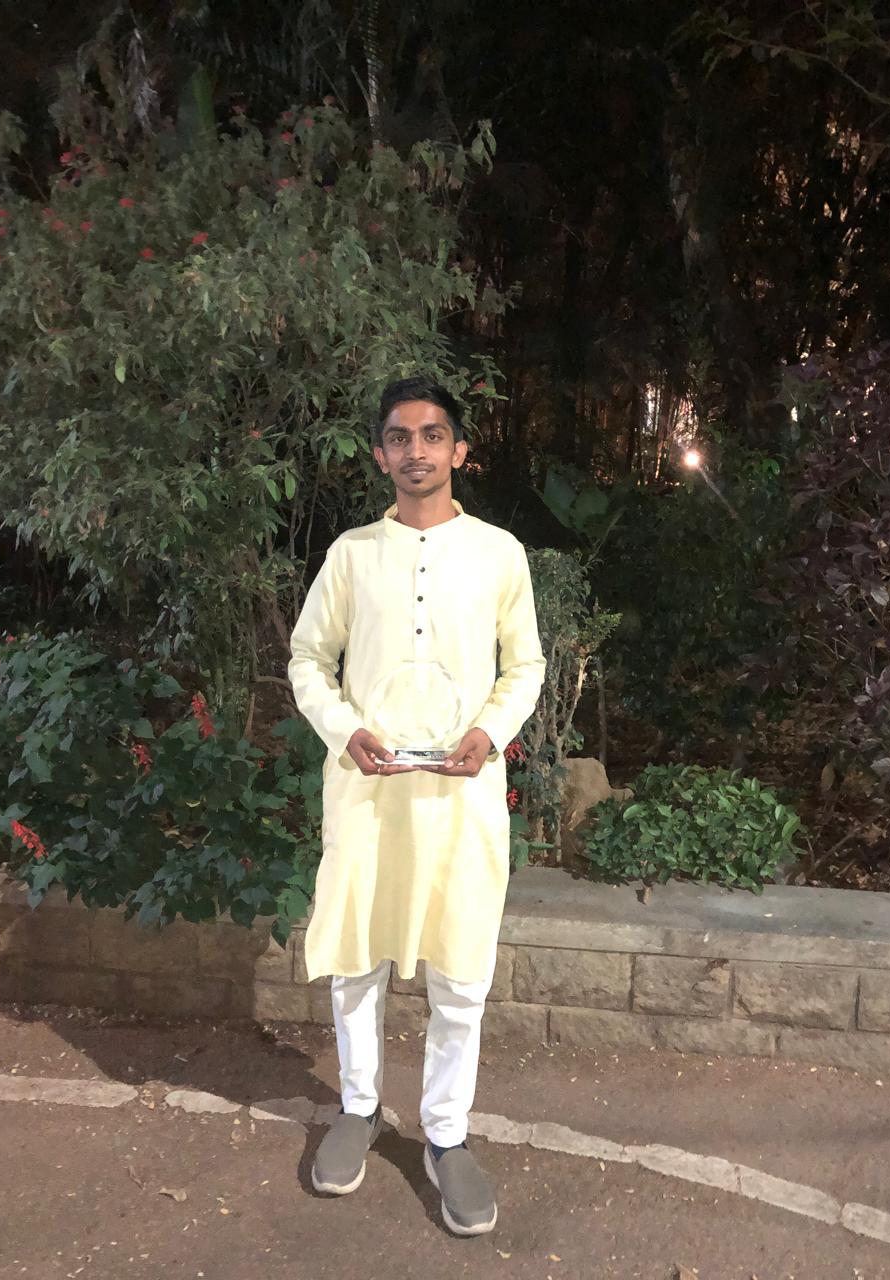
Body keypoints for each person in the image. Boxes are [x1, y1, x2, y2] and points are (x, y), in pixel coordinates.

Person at [287, 374, 545, 1236]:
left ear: (459, 449)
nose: (416, 451)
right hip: (369, 790)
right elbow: (307, 659)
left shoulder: (499, 553)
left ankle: (445, 1134)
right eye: (399, 437)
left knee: (460, 969)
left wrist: (491, 732)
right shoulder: (353, 554)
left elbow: (526, 665)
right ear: (380, 455)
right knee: (358, 956)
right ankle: (358, 1108)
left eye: (433, 435)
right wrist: (343, 730)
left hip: (462, 795)